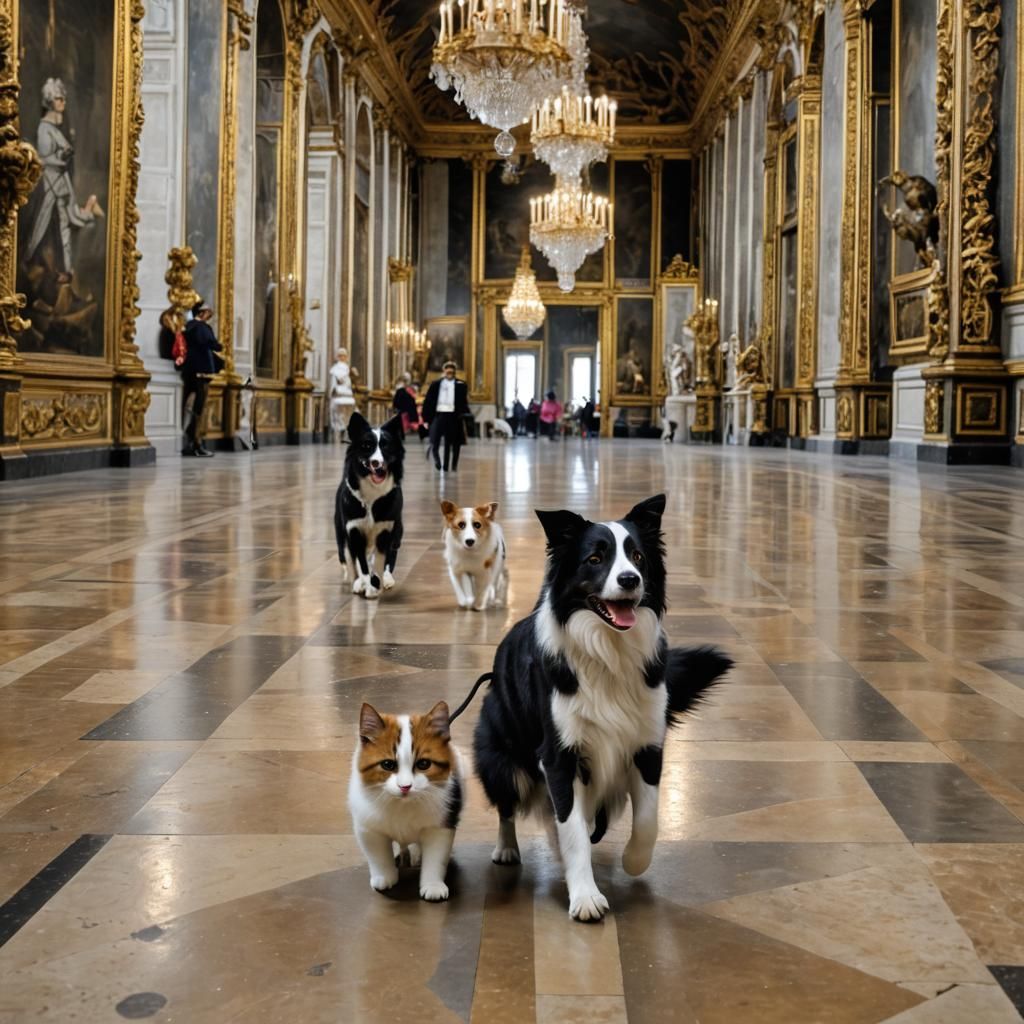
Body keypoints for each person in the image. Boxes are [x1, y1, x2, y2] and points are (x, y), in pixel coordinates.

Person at [179, 300, 222, 457]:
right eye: (208, 313)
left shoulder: (189, 326)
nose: (209, 316)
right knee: (200, 407)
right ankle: (195, 443)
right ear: (202, 313)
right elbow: (212, 343)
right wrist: (219, 346)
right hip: (201, 370)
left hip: (189, 369)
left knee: (187, 405)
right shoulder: (201, 327)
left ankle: (189, 441)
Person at [422, 360, 470, 472]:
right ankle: (438, 462)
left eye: (451, 372)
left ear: (454, 372)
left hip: (454, 416)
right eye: (448, 372)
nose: (449, 374)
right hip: (439, 414)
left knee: (453, 442)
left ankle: (451, 465)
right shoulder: (435, 384)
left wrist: (462, 413)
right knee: (435, 441)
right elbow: (428, 402)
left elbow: (463, 402)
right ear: (444, 372)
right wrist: (426, 419)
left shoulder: (461, 385)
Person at [329, 348, 356, 440]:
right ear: (338, 357)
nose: (343, 357)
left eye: (344, 356)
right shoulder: (335, 369)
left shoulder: (347, 369)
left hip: (346, 395)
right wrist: (332, 392)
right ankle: (341, 430)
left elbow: (350, 382)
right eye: (341, 356)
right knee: (339, 414)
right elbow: (333, 383)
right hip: (340, 395)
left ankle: (343, 430)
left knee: (345, 414)